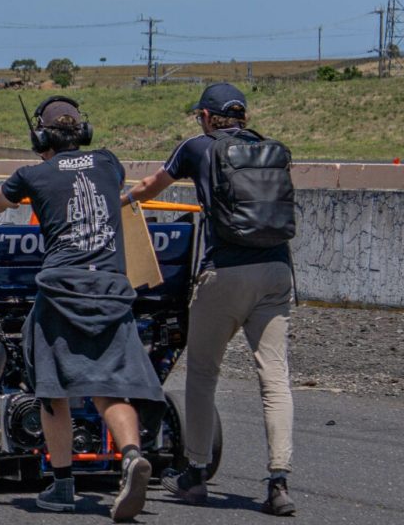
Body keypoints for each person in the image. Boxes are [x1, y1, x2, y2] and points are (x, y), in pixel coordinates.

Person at [124, 83, 297, 516]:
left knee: (203, 372)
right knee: (275, 379)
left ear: (205, 116)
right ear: (243, 117)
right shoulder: (269, 148)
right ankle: (279, 482)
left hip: (225, 273)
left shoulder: (197, 147)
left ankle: (196, 473)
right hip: (277, 271)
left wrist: (121, 201)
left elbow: (149, 186)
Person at [0, 97, 160, 520]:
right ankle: (132, 455)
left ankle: (62, 485)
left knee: (52, 386)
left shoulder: (32, 174)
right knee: (108, 384)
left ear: (39, 136)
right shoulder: (108, 162)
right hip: (113, 289)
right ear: (84, 131)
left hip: (63, 288)